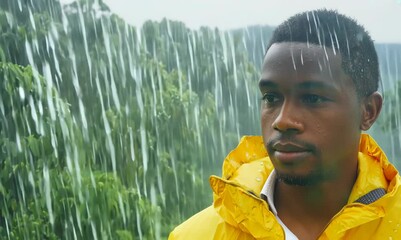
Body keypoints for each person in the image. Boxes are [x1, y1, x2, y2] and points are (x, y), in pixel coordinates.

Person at [169, 9, 401, 240]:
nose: (282, 120)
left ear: (369, 111)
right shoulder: (195, 235)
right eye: (271, 98)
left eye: (312, 98)